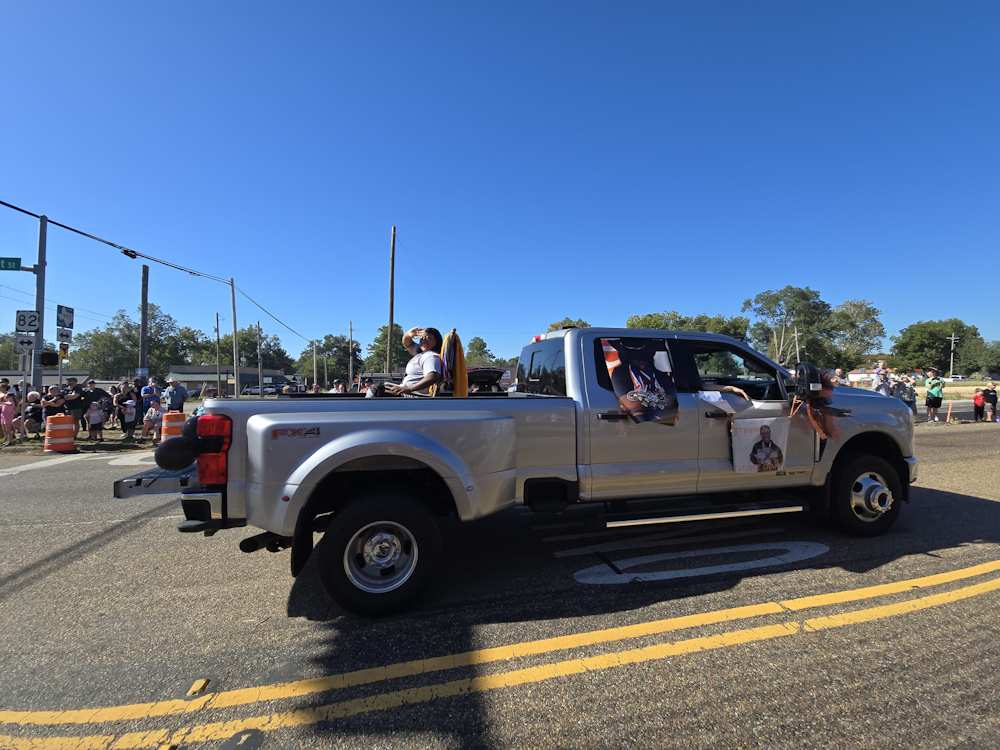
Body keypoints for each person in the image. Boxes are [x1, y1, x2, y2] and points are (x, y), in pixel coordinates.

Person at [385, 327, 444, 396]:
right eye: (422, 337)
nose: (424, 340)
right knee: (379, 387)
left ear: (436, 342)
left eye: (428, 338)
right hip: (405, 392)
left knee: (376, 389)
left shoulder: (431, 356)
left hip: (413, 395)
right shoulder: (420, 354)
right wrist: (410, 334)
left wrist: (409, 389)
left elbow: (433, 376)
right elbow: (406, 342)